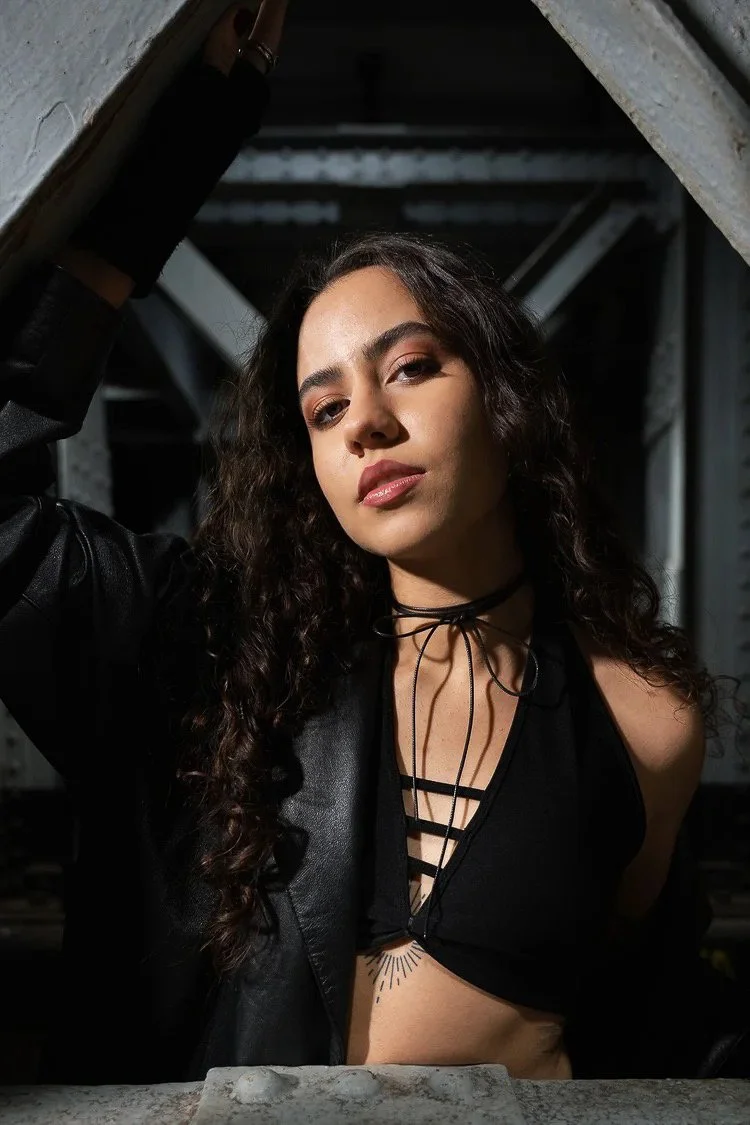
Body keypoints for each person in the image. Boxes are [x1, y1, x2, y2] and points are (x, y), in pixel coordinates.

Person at [0, 1, 742, 1088]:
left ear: (504, 401)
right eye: (324, 408)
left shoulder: (644, 717)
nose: (369, 426)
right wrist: (133, 221)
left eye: (410, 368)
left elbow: (647, 1018)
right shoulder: (214, 659)